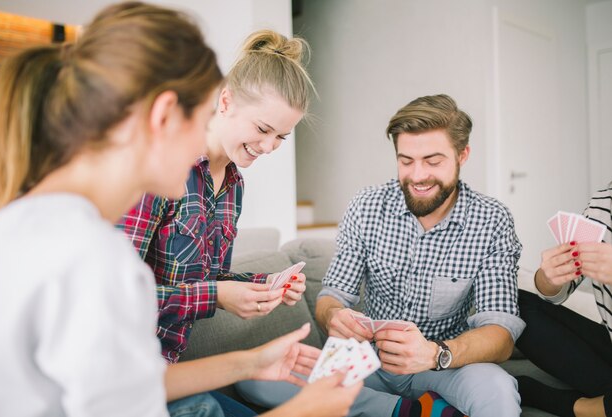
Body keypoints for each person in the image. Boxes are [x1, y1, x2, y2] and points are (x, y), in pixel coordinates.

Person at [0, 3, 361, 417]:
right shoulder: (95, 259)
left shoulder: (18, 225)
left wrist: (251, 362)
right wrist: (308, 410)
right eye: (201, 118)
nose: (202, 147)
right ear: (165, 115)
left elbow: (127, 386)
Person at [117, 28, 312, 414]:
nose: (270, 146)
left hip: (169, 369)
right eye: (262, 129)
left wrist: (263, 285)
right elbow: (115, 298)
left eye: (282, 137)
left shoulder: (234, 186)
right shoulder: (163, 172)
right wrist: (217, 297)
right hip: (122, 372)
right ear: (226, 101)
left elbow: (209, 278)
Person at [314, 94, 525, 416]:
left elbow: (500, 333)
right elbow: (332, 296)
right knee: (259, 381)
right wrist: (333, 316)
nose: (417, 175)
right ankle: (408, 411)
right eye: (406, 161)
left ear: (462, 155)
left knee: (498, 389)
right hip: (369, 361)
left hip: (444, 364)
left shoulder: (492, 219)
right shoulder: (366, 205)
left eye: (433, 161)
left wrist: (435, 354)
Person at [516, 182, 612, 417]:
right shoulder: (604, 202)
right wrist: (549, 278)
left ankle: (569, 404)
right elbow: (558, 290)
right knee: (516, 305)